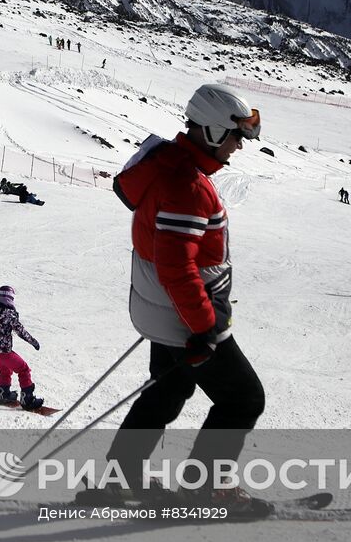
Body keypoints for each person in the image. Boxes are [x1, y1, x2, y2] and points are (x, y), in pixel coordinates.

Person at [97, 83, 265, 511]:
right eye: (235, 137)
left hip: (162, 311)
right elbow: (177, 267)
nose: (238, 148)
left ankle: (122, 477)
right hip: (185, 318)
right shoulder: (187, 186)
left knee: (168, 391)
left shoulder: (172, 165)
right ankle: (203, 490)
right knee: (243, 398)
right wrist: (205, 327)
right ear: (211, 132)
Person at [0, 285, 44, 410]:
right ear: (10, 299)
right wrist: (33, 342)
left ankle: (4, 394)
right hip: (3, 352)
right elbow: (21, 331)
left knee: (5, 370)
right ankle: (27, 400)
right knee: (23, 369)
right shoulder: (10, 315)